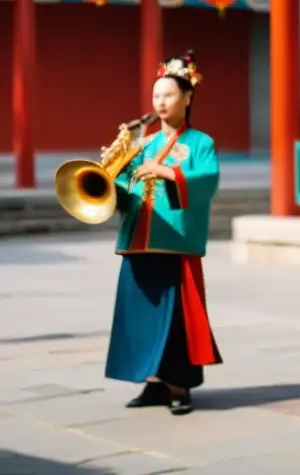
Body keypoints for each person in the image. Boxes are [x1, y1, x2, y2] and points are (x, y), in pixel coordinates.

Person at [104, 50, 223, 416]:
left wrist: (167, 172)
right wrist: (111, 172)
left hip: (173, 243)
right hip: (139, 242)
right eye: (156, 95)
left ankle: (179, 385)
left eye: (168, 94)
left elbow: (207, 181)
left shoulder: (201, 143)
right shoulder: (144, 145)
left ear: (188, 97)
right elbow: (125, 195)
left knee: (175, 320)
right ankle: (153, 382)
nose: (161, 101)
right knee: (140, 314)